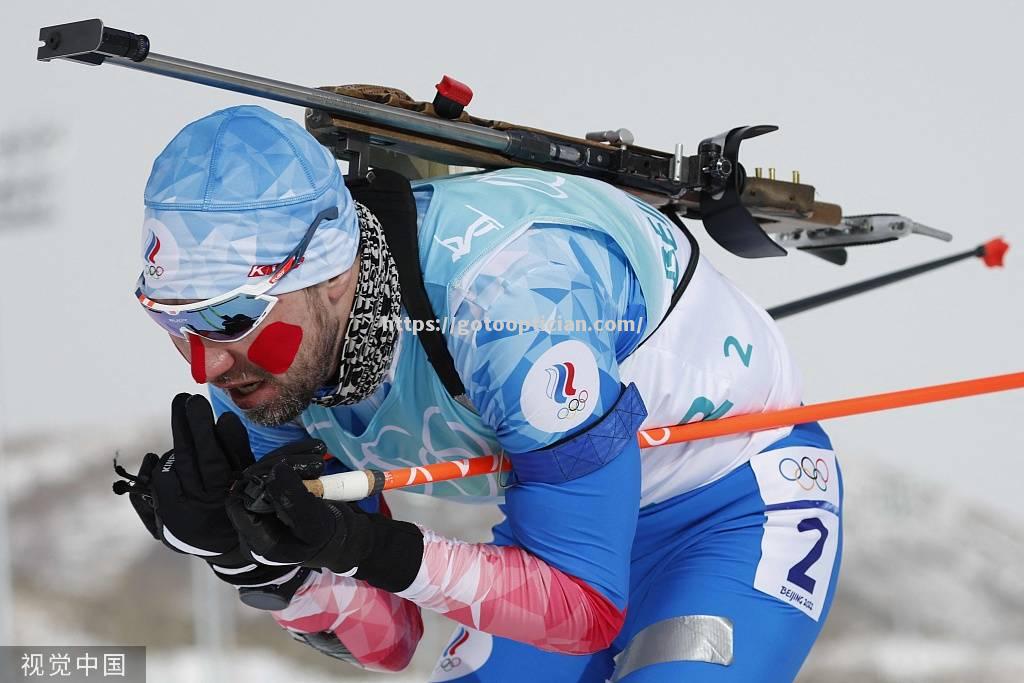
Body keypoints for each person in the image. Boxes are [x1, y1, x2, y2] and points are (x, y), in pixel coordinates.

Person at [119, 104, 842, 682]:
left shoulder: (506, 304)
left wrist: (366, 543)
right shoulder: (264, 379)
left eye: (234, 316)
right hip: (557, 535)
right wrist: (263, 564)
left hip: (729, 507)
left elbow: (583, 606)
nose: (208, 365)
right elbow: (391, 641)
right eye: (176, 324)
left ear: (333, 274)